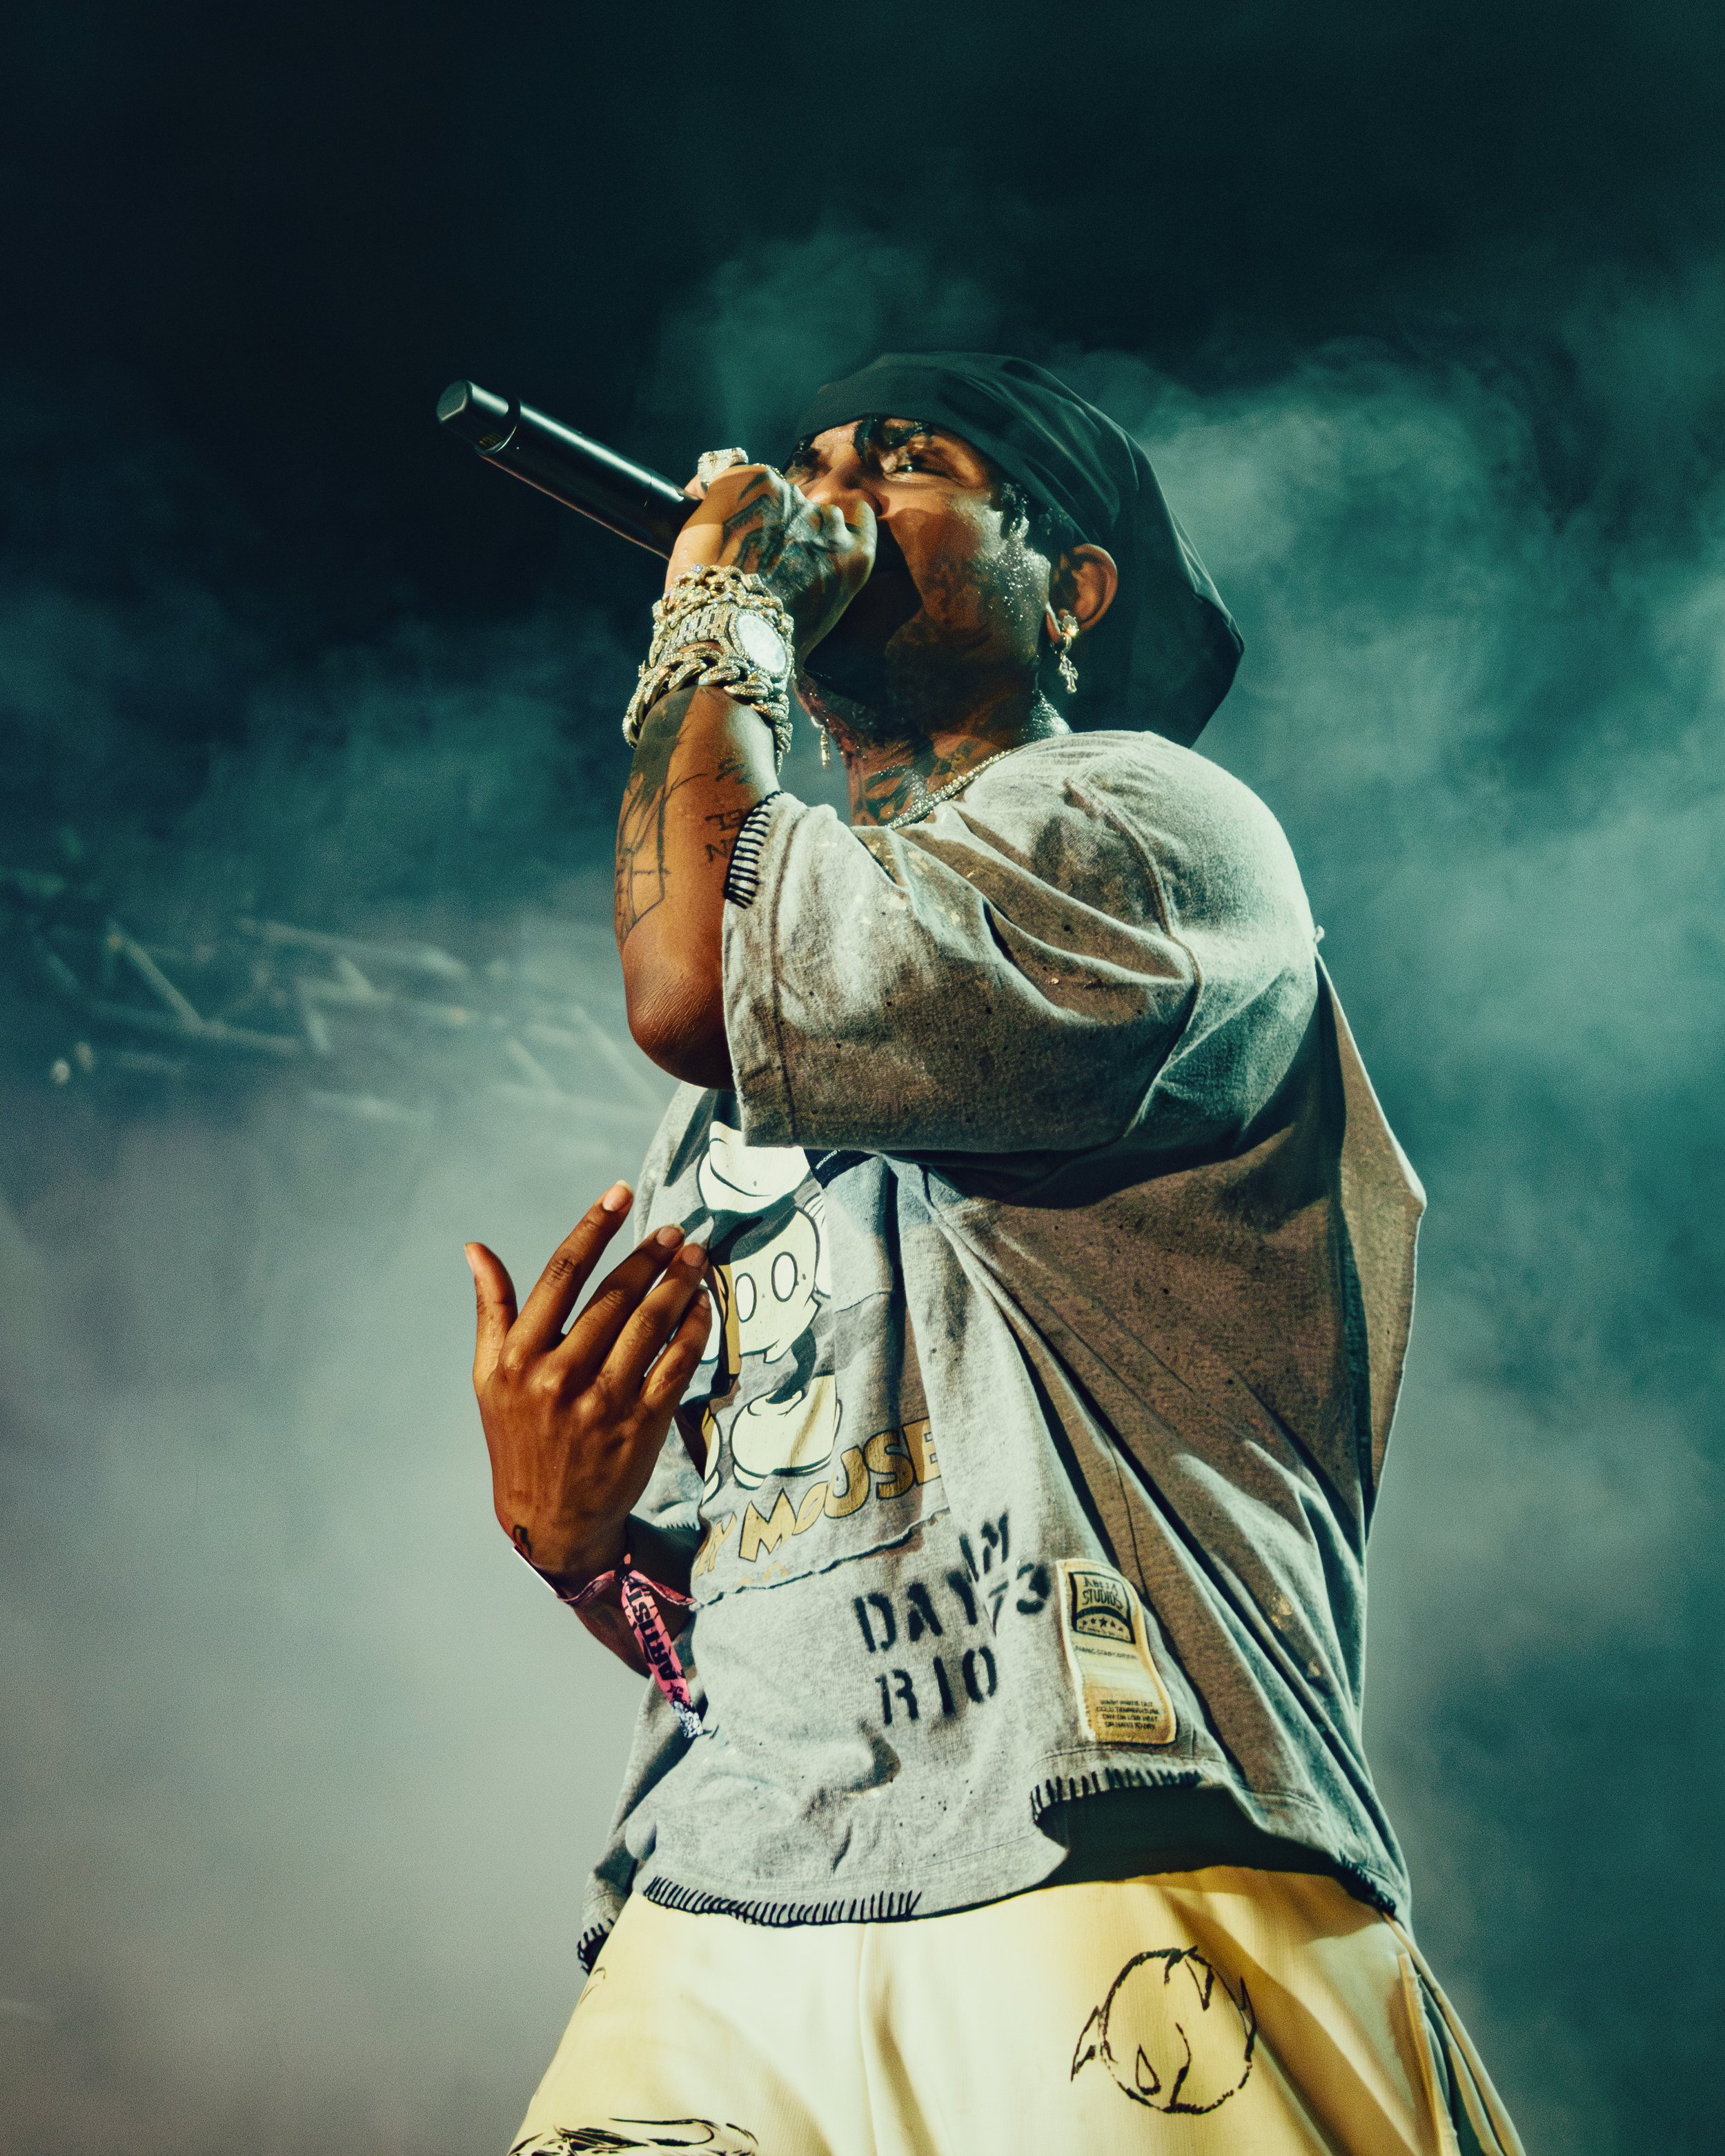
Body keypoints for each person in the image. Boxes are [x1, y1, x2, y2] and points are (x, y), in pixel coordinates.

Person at [465, 354, 1524, 2155]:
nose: (824, 500)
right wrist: (579, 1551)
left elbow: (688, 977)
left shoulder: (1144, 830)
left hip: (1107, 1841)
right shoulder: (741, 1113)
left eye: (901, 465)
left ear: (1072, 589)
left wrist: (718, 597)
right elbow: (754, 1626)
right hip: (725, 1912)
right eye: (804, 469)